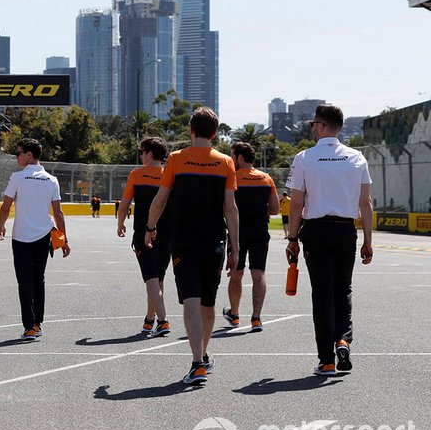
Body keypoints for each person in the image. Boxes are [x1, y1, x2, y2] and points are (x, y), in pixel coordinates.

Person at [145, 107, 238, 385]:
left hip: (184, 240)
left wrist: (150, 228)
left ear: (191, 130)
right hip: (215, 241)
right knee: (208, 303)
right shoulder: (225, 162)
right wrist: (236, 246)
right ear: (215, 133)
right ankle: (203, 355)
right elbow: (230, 209)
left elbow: (160, 199)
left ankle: (198, 360)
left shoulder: (175, 159)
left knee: (191, 300)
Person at [286, 104, 373, 377]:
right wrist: (368, 242)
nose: (312, 128)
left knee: (321, 295)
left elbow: (296, 202)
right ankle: (343, 340)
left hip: (317, 231)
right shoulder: (357, 157)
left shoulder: (304, 157)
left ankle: (326, 360)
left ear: (321, 126)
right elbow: (366, 204)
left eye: (313, 124)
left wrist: (291, 239)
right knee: (342, 290)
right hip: (346, 230)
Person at [0, 138, 71, 340]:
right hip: (43, 236)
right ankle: (37, 323)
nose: (17, 156)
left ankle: (29, 326)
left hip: (21, 236)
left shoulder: (18, 177)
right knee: (39, 279)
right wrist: (64, 239)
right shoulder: (51, 180)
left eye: (19, 152)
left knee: (24, 282)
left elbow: (5, 207)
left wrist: (1, 225)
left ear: (29, 155)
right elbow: (59, 213)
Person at [221, 142, 279, 333]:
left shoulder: (232, 177)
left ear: (239, 157)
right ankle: (256, 318)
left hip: (237, 232)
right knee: (258, 273)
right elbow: (275, 209)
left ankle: (235, 314)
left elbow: (225, 207)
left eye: (232, 156)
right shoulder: (266, 178)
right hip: (260, 232)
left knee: (236, 273)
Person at [118, 137, 172, 337]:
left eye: (142, 152)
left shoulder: (137, 174)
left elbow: (125, 203)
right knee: (158, 279)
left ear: (149, 153)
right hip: (167, 234)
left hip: (144, 232)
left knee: (150, 279)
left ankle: (163, 320)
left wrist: (120, 223)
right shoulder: (170, 174)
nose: (141, 156)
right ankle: (150, 320)